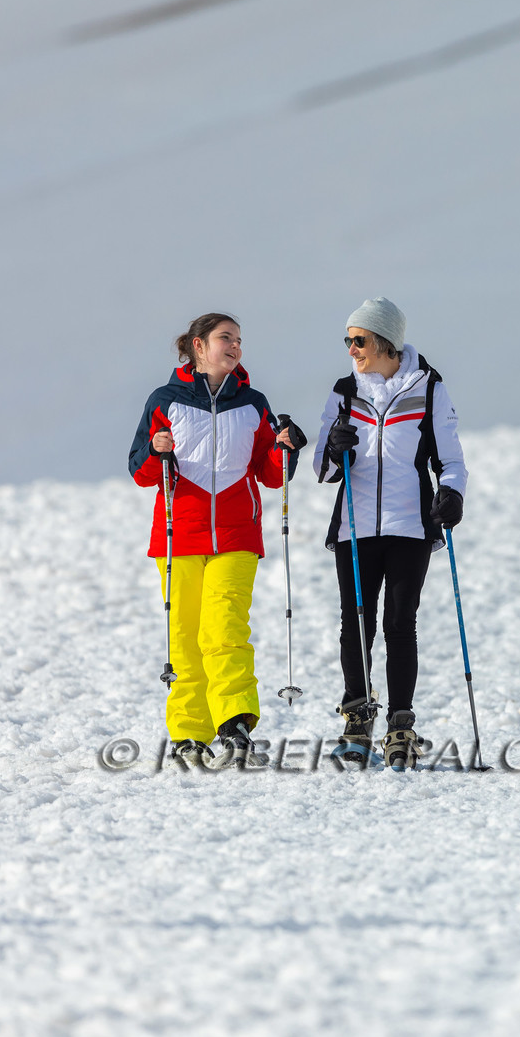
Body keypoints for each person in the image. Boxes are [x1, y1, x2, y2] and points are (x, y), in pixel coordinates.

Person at [128, 312, 305, 766]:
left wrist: (285, 448)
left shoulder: (253, 403)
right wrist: (156, 450)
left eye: (239, 339)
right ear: (198, 346)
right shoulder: (165, 400)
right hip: (179, 536)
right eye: (226, 337)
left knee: (224, 628)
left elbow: (270, 474)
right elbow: (141, 472)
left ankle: (234, 721)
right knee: (184, 637)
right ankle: (189, 732)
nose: (235, 346)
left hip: (236, 535)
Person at [312, 298, 467, 769]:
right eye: (348, 340)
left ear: (386, 342)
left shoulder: (429, 387)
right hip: (355, 525)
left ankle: (401, 724)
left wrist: (452, 494)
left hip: (409, 524)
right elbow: (322, 469)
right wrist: (334, 449)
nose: (352, 349)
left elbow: (451, 460)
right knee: (355, 622)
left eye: (359, 340)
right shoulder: (344, 392)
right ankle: (357, 718)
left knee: (400, 623)